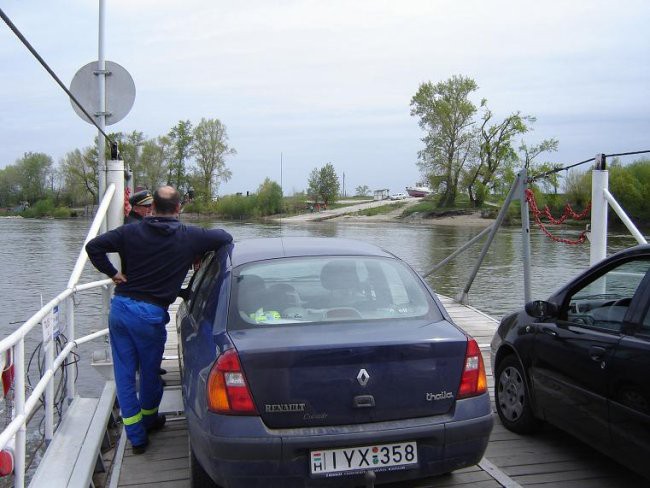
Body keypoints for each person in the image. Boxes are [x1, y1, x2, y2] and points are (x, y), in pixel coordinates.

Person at [86, 186, 233, 454]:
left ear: (152, 207)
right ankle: (150, 420)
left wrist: (113, 274)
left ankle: (136, 437)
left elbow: (93, 247)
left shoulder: (130, 231)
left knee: (125, 375)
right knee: (150, 374)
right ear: (178, 209)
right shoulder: (189, 236)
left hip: (120, 309)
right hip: (149, 316)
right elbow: (225, 237)